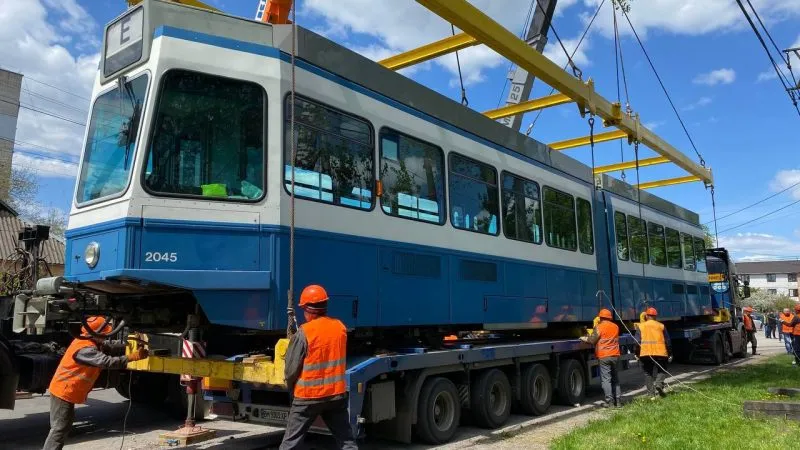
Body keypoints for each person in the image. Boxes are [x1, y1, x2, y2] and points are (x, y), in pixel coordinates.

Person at [44, 316, 148, 450]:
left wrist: (128, 345)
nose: (105, 337)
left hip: (66, 390)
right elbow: (107, 362)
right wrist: (132, 357)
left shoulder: (88, 342)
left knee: (63, 427)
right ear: (95, 333)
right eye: (104, 334)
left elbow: (108, 347)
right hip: (63, 391)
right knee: (59, 429)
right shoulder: (85, 350)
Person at [281, 285, 357, 450]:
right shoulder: (340, 327)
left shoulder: (304, 332)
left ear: (307, 310)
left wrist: (290, 389)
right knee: (346, 442)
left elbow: (291, 369)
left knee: (290, 444)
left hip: (307, 397)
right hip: (336, 395)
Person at [581, 308, 621, 407]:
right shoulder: (616, 327)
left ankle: (610, 402)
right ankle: (618, 401)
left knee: (606, 380)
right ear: (610, 317)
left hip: (604, 356)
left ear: (600, 317)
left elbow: (592, 340)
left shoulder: (599, 327)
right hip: (615, 355)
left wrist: (583, 338)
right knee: (615, 379)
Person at [635, 307, 671, 400]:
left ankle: (651, 394)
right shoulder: (661, 326)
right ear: (655, 316)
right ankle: (659, 384)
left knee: (648, 373)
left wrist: (637, 354)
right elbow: (668, 341)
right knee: (662, 370)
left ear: (646, 316)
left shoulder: (641, 326)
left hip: (646, 353)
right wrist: (670, 353)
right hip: (660, 352)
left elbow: (637, 342)